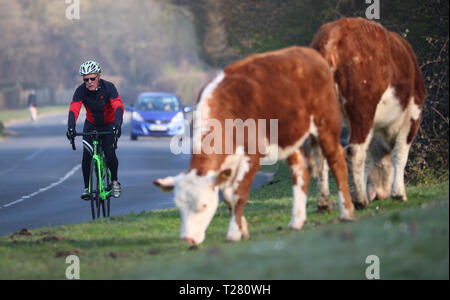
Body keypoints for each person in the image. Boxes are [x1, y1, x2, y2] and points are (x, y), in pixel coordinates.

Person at [66, 61, 124, 200]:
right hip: (91, 125)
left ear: (99, 76)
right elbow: (74, 108)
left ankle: (114, 181)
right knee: (87, 155)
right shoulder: (81, 90)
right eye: (86, 79)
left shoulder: (109, 87)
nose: (89, 82)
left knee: (110, 153)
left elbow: (118, 106)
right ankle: (87, 188)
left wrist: (117, 124)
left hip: (109, 125)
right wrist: (71, 127)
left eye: (92, 78)